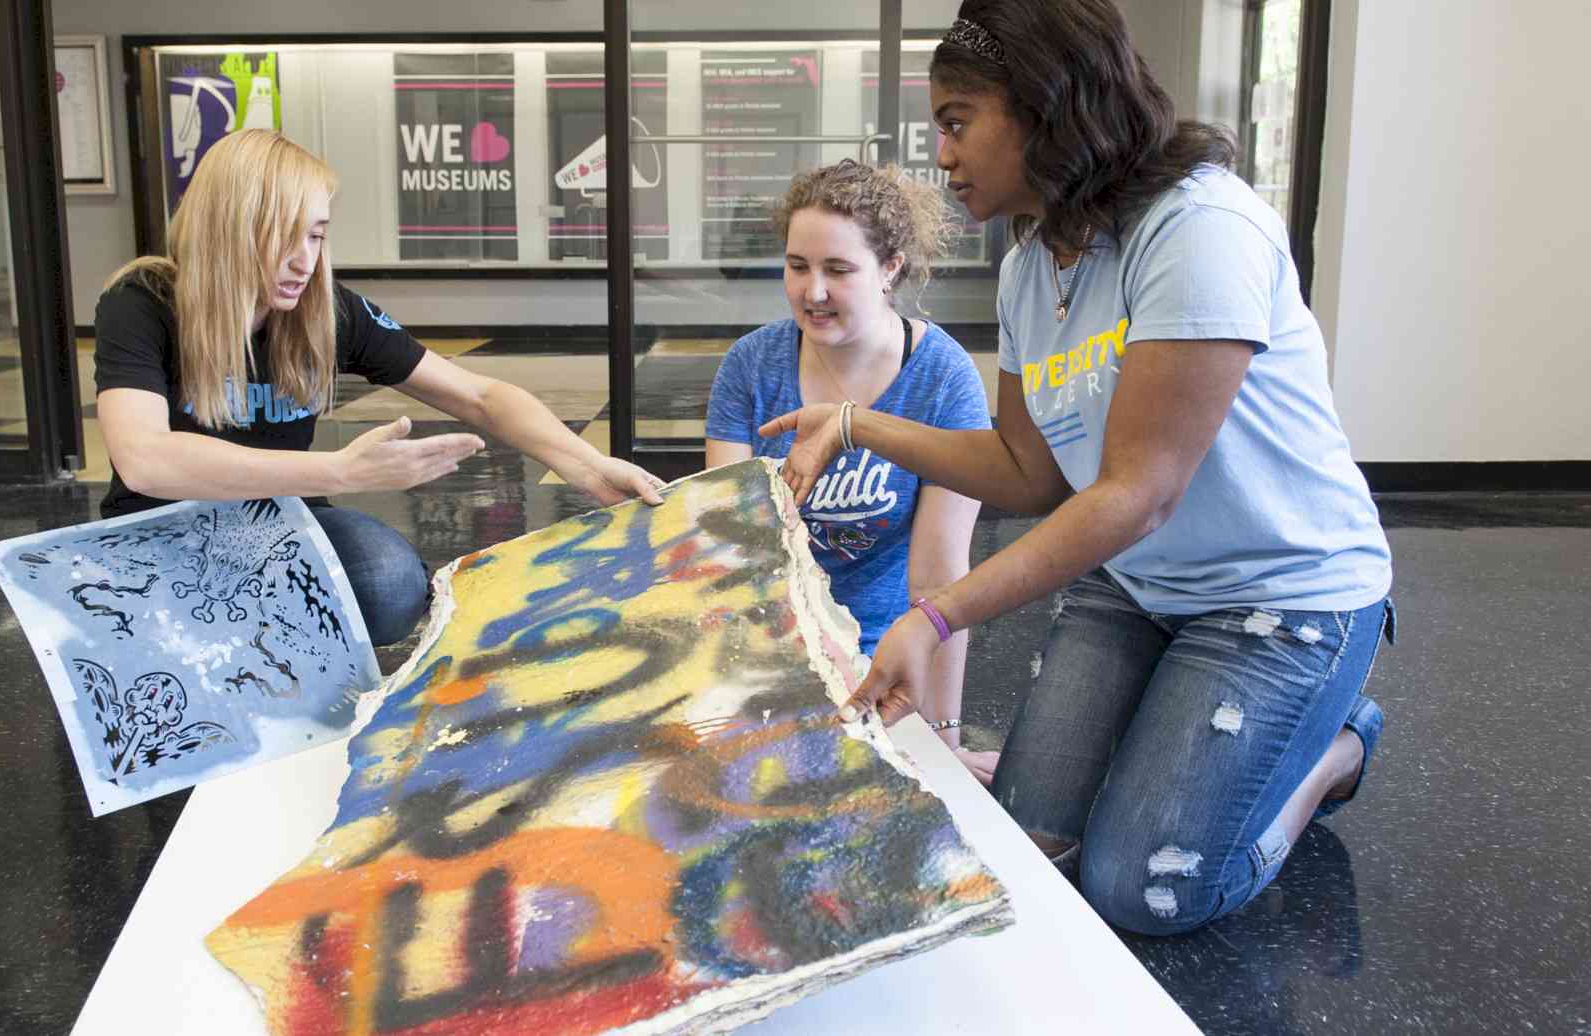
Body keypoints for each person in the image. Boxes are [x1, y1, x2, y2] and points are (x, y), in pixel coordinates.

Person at [761, 0, 1393, 937]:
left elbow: (1138, 494)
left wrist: (934, 616)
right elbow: (1026, 473)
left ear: (1044, 108)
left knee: (1145, 888)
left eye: (956, 120)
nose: (941, 153)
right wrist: (854, 425)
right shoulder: (1030, 268)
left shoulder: (1199, 228)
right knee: (1031, 845)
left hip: (1281, 596)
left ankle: (1333, 752)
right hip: (1139, 585)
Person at [94, 129, 664, 649]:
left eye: (316, 236)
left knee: (391, 586)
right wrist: (338, 472)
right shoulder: (144, 303)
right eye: (282, 238)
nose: (304, 261)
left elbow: (480, 396)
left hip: (276, 524)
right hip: (157, 527)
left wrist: (587, 466)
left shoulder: (326, 311)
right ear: (229, 229)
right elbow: (146, 460)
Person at [705, 159, 994, 781]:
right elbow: (726, 548)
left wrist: (942, 735)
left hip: (883, 654)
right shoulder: (751, 367)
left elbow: (942, 575)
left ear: (890, 269)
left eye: (838, 270)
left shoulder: (943, 378)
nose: (813, 292)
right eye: (797, 266)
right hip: (769, 643)